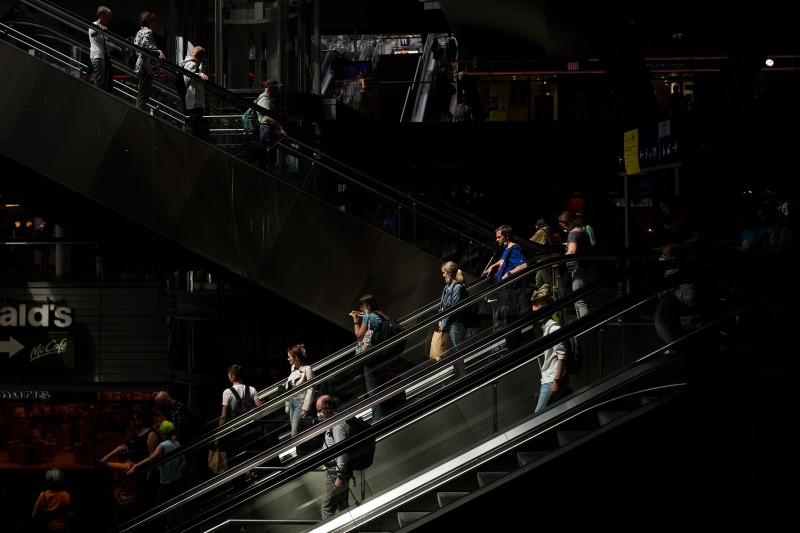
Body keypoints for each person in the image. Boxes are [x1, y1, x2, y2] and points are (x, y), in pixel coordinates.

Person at [126, 421, 186, 531]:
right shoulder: (176, 443)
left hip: (166, 481)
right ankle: (177, 524)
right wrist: (178, 468)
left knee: (162, 504)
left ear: (163, 433)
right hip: (177, 478)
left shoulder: (162, 446)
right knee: (175, 502)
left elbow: (151, 458)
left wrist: (135, 466)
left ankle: (171, 526)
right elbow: (184, 461)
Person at [482, 225, 529, 330]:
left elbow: (523, 265)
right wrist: (493, 266)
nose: (497, 239)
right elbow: (503, 260)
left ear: (507, 236)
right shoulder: (507, 249)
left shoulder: (514, 248)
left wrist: (508, 274)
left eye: (499, 237)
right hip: (504, 290)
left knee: (506, 322)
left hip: (509, 291)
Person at [350, 294, 387, 421]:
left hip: (371, 356)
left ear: (368, 306)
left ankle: (378, 417)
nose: (360, 309)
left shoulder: (368, 316)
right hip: (383, 355)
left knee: (372, 390)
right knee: (381, 386)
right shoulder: (383, 316)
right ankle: (383, 413)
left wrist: (355, 321)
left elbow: (359, 335)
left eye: (362, 305)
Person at [317, 395, 351, 521]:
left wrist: (339, 476)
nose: (318, 414)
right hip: (336, 472)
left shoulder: (337, 425)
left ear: (328, 408)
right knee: (343, 507)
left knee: (327, 510)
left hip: (336, 473)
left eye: (320, 410)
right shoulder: (333, 422)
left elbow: (342, 450)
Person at [531, 295, 568, 412]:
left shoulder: (553, 329)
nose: (534, 314)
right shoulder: (546, 328)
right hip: (547, 378)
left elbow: (562, 357)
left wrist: (556, 381)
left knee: (539, 414)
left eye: (537, 311)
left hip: (551, 379)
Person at [557, 211, 597, 319]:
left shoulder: (572, 234)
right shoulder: (582, 232)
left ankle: (582, 329)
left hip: (579, 272)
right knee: (587, 299)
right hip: (589, 270)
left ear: (567, 222)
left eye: (562, 224)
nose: (562, 227)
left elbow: (572, 251)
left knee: (580, 301)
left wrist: (557, 262)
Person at [126, 406, 161, 512]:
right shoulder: (138, 432)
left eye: (136, 418)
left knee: (145, 503)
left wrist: (149, 472)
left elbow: (153, 457)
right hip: (135, 473)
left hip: (144, 474)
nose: (134, 420)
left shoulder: (151, 434)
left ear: (141, 419)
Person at [99, 444, 141, 526]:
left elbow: (102, 462)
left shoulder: (122, 467)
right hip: (134, 501)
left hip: (122, 503)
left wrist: (115, 451)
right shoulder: (135, 465)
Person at [439, 261, 467, 378]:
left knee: (456, 350)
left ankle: (462, 377)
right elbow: (441, 305)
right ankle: (457, 377)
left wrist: (444, 323)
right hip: (446, 323)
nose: (443, 275)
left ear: (450, 273)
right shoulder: (447, 286)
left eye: (444, 272)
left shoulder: (457, 287)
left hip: (455, 324)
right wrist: (440, 320)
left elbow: (453, 308)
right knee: (452, 352)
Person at [133, 11, 166, 111]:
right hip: (146, 65)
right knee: (143, 94)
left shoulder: (139, 31)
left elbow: (138, 47)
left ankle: (140, 114)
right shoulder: (148, 31)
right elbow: (146, 45)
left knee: (142, 92)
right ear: (150, 22)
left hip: (140, 64)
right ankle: (138, 116)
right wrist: (159, 52)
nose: (155, 23)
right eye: (153, 21)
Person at [255, 79, 287, 171]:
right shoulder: (264, 100)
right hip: (266, 129)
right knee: (268, 153)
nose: (278, 91)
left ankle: (267, 169)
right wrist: (281, 128)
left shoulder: (267, 99)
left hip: (268, 129)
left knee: (269, 153)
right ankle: (266, 171)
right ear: (271, 88)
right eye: (277, 88)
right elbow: (268, 117)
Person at [284, 343, 315, 436]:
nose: (288, 359)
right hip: (291, 401)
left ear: (296, 357)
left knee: (294, 432)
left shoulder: (307, 369)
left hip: (299, 403)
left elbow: (311, 389)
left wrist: (305, 409)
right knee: (294, 430)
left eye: (289, 357)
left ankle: (298, 450)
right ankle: (298, 450)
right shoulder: (293, 368)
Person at [179, 45, 209, 141]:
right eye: (203, 56)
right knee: (195, 122)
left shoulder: (192, 64)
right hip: (193, 99)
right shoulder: (191, 64)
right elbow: (188, 78)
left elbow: (195, 74)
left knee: (196, 122)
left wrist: (202, 67)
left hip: (194, 99)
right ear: (199, 56)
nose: (203, 59)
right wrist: (200, 74)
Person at [88, 6, 113, 93]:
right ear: (102, 15)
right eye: (108, 15)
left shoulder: (103, 27)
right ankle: (95, 96)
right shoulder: (95, 24)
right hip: (97, 56)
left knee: (101, 79)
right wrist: (99, 29)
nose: (109, 18)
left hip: (102, 56)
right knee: (99, 79)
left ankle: (97, 95)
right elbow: (91, 34)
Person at [530, 217, 555, 290]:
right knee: (538, 281)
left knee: (548, 280)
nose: (535, 227)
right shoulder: (547, 230)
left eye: (535, 225)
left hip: (543, 259)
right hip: (544, 258)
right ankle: (538, 298)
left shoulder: (540, 232)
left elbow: (531, 242)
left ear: (538, 225)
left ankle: (555, 297)